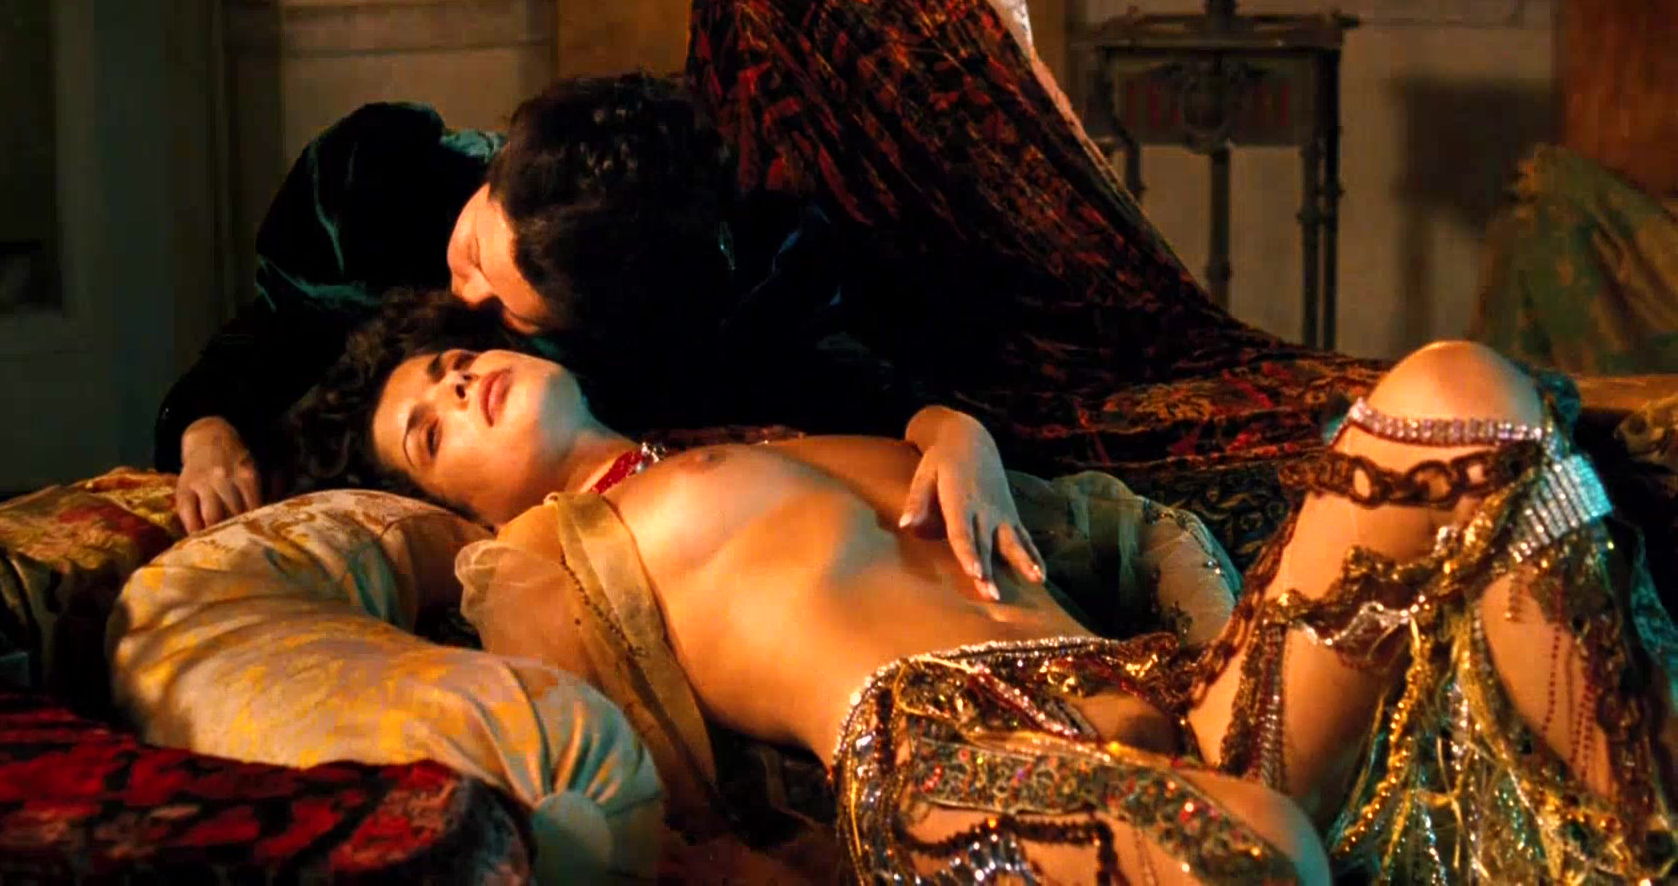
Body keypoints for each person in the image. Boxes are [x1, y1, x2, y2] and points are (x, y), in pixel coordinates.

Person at [290, 290, 1676, 880]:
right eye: (431, 427)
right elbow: (620, 778)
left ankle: (1643, 853)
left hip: (1156, 692)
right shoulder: (529, 557)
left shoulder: (748, 441)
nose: (460, 388)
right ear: (446, 501)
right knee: (1242, 846)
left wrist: (959, 429)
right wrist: (208, 434)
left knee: (1460, 387)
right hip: (941, 757)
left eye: (453, 363)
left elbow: (1090, 519)